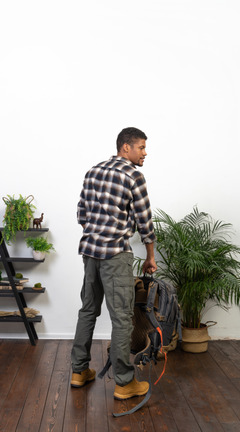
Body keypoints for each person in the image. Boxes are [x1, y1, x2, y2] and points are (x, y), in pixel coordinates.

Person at [71, 127, 157, 400]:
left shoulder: (93, 171)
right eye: (141, 147)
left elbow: (81, 213)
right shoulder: (134, 175)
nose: (145, 153)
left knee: (87, 310)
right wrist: (150, 256)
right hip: (116, 255)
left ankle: (78, 371)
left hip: (90, 252)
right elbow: (144, 221)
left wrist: (97, 233)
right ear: (125, 148)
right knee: (122, 318)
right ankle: (124, 382)